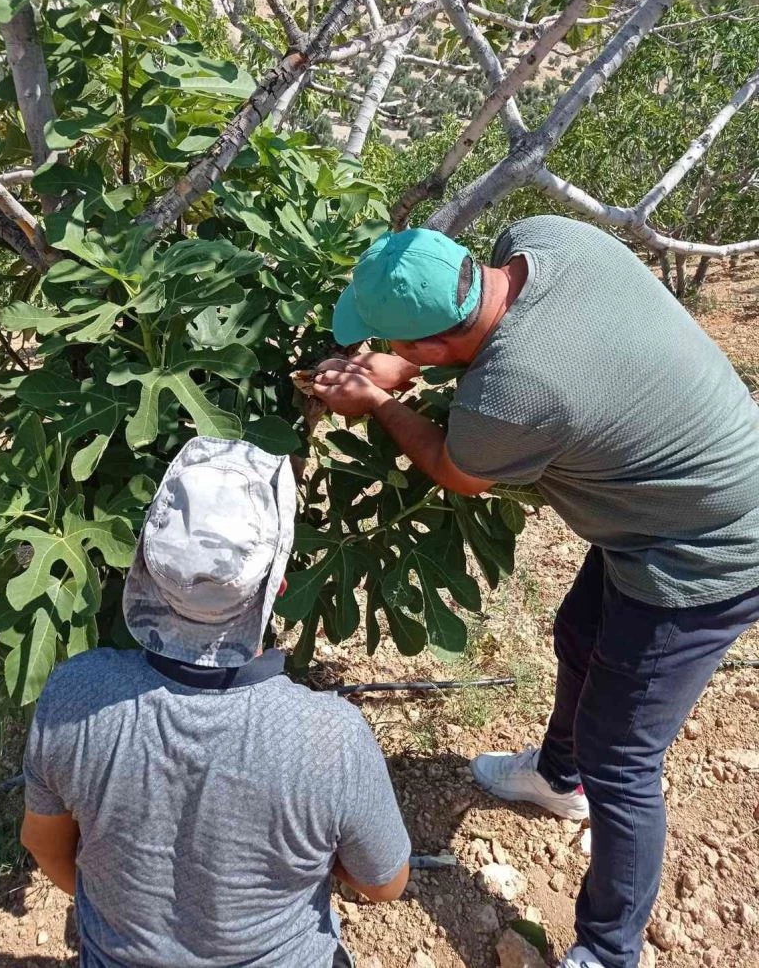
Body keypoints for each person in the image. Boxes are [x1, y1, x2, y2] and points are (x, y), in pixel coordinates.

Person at [312, 218, 759, 968]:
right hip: (686, 487)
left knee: (625, 758)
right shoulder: (548, 237)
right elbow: (486, 352)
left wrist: (382, 402)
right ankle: (558, 776)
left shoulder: (516, 391)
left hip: (707, 551)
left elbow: (459, 468)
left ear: (427, 347)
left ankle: (610, 951)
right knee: (579, 635)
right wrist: (400, 367)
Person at [20, 437, 410, 968]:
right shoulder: (330, 737)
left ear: (149, 569)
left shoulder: (75, 696)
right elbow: (385, 883)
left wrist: (120, 921)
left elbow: (44, 846)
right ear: (277, 586)